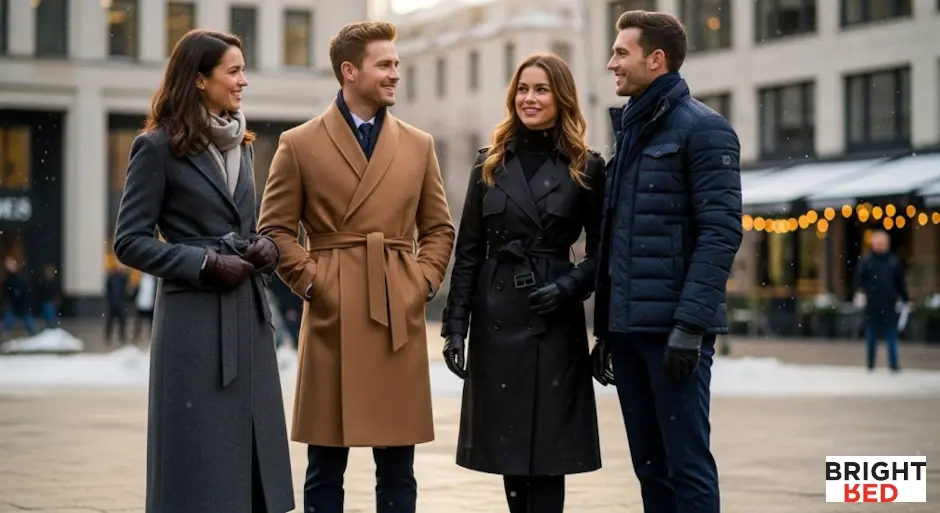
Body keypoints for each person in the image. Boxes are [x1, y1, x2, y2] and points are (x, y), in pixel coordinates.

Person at [257, 20, 455, 513]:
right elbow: (275, 230)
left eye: (397, 64)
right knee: (325, 466)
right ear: (349, 71)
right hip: (333, 314)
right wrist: (315, 283)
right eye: (384, 64)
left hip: (397, 312)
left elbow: (438, 228)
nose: (395, 74)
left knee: (398, 467)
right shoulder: (298, 143)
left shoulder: (419, 144)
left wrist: (420, 283)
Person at [112, 29, 293, 513]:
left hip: (247, 317)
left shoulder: (243, 144)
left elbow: (243, 225)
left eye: (243, 70)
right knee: (197, 459)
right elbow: (129, 241)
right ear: (198, 79)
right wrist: (204, 263)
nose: (243, 81)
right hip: (193, 324)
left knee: (251, 457)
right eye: (233, 71)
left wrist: (265, 247)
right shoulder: (155, 148)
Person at [440, 53, 609, 513]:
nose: (528, 98)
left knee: (551, 452)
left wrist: (569, 287)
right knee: (509, 449)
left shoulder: (587, 166)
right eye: (522, 89)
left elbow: (603, 255)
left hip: (553, 319)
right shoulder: (490, 163)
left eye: (541, 89)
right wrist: (455, 328)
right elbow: (468, 252)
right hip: (498, 318)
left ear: (562, 98)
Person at [596, 10, 742, 513]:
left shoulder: (705, 129)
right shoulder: (632, 133)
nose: (611, 63)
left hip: (674, 335)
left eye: (621, 53)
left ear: (656, 59)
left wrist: (690, 325)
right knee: (650, 468)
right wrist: (608, 330)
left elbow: (721, 233)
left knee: (687, 467)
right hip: (629, 334)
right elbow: (618, 237)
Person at [853, 230, 909, 372]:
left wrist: (904, 298)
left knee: (891, 335)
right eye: (877, 243)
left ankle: (893, 363)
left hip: (889, 304)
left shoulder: (893, 262)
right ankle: (870, 362)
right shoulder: (866, 261)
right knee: (871, 335)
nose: (880, 246)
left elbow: (900, 282)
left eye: (882, 243)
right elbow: (859, 280)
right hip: (872, 304)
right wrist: (861, 293)